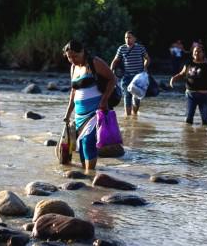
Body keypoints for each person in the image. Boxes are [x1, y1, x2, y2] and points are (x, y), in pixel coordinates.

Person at [62, 40, 116, 170]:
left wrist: (104, 100)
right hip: (79, 115)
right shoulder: (73, 67)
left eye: (75, 56)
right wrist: (68, 112)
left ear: (83, 51)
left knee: (87, 142)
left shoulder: (94, 62)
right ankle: (87, 176)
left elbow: (112, 79)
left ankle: (90, 173)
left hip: (95, 111)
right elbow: (73, 91)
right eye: (69, 57)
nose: (72, 59)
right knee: (80, 144)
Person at [169, 44, 207, 125]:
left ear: (203, 53)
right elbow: (182, 73)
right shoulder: (189, 62)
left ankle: (205, 135)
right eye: (195, 52)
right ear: (192, 53)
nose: (196, 53)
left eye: (199, 52)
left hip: (205, 95)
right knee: (188, 119)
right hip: (191, 94)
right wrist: (173, 79)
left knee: (205, 120)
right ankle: (189, 135)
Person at [110, 30, 150, 116]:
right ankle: (128, 117)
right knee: (127, 96)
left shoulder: (140, 48)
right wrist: (111, 71)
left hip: (138, 77)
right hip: (126, 76)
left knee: (136, 98)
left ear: (134, 39)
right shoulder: (121, 48)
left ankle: (134, 114)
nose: (127, 39)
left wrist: (145, 67)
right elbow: (115, 61)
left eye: (129, 37)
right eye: (126, 37)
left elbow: (147, 58)